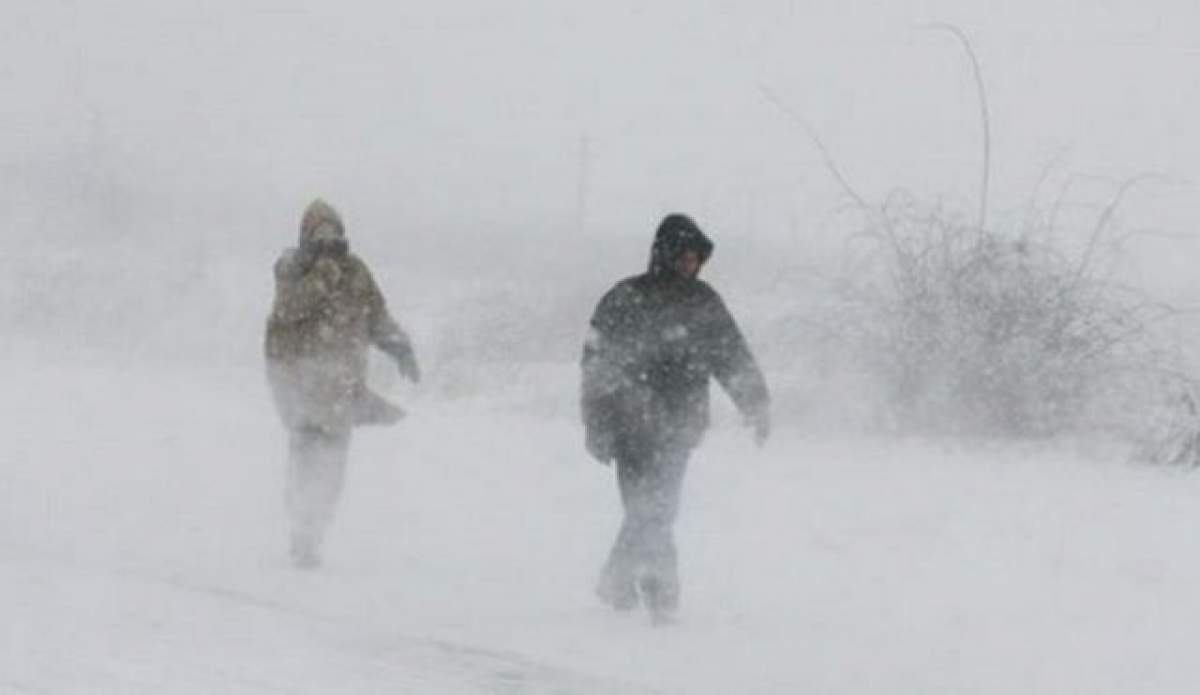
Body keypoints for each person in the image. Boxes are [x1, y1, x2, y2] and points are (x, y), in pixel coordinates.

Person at [580, 213, 770, 620]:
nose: (690, 265)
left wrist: (755, 402)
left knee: (656, 510)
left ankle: (623, 581)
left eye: (695, 258)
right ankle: (658, 595)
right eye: (683, 257)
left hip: (680, 428)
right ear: (664, 254)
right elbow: (596, 366)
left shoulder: (703, 302)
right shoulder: (625, 297)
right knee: (648, 510)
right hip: (629, 427)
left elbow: (730, 353)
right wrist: (596, 425)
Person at [264, 199, 420, 569]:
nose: (328, 239)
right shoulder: (292, 268)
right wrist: (321, 276)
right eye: (319, 233)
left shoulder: (356, 272)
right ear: (305, 236)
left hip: (341, 391)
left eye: (333, 231)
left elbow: (376, 316)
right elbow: (286, 311)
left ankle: (316, 527)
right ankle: (302, 532)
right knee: (305, 461)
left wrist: (399, 346)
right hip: (302, 387)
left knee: (332, 469)